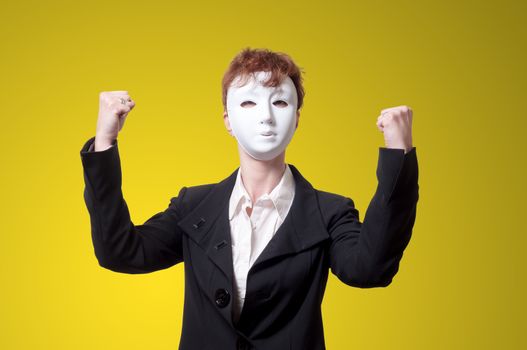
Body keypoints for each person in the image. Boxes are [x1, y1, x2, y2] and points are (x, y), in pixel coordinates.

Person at [80, 47, 419, 350]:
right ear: (227, 120)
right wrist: (105, 140)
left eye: (281, 102)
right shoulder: (194, 206)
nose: (266, 116)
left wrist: (398, 155)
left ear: (297, 118)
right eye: (248, 102)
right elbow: (120, 253)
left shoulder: (328, 212)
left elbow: (370, 269)